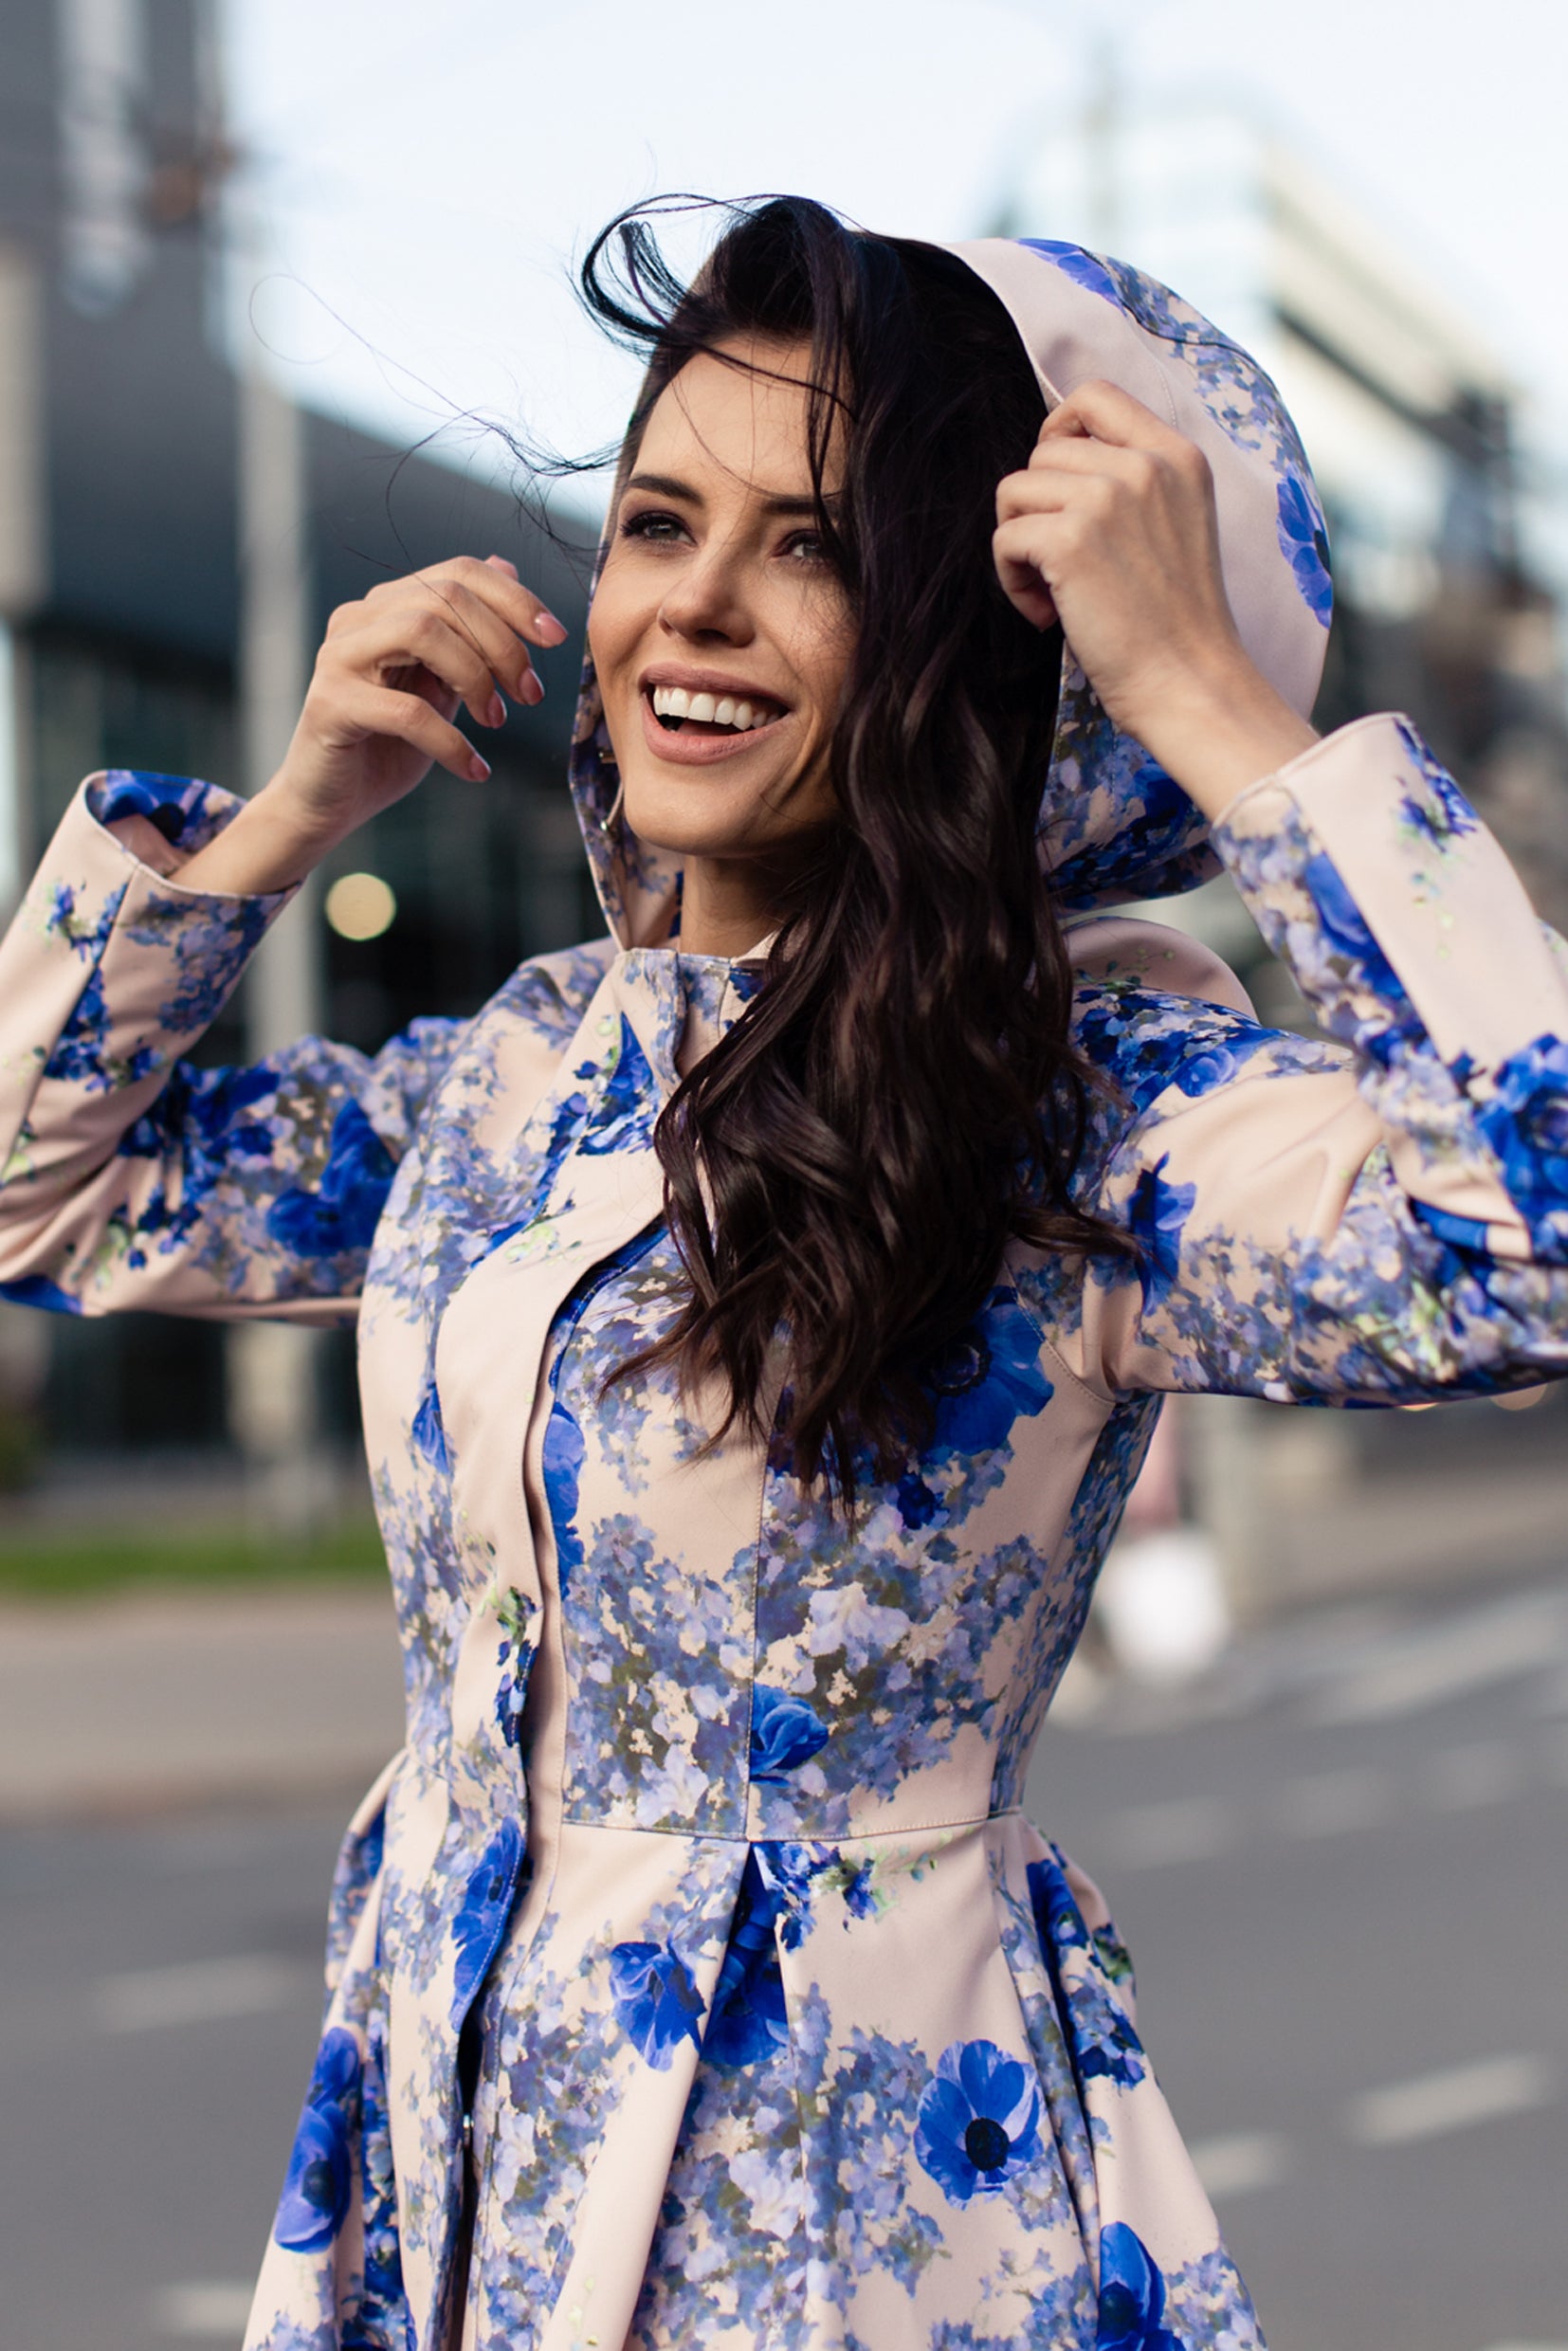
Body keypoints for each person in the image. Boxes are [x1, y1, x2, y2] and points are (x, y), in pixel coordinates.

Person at [0, 194, 1563, 2351]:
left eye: (814, 548)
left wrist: (1199, 693)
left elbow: (1534, 1231)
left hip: (847, 2221)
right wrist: (283, 820)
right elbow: (39, 1191)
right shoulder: (522, 1070)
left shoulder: (1077, 1103)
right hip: (454, 2184)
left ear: (982, 639)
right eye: (657, 521)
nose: (695, 605)